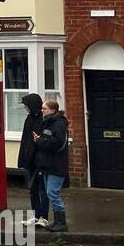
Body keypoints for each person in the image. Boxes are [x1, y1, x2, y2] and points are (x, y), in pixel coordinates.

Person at [33, 99, 71, 233]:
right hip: (47, 164)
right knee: (50, 193)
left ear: (53, 110)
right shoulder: (48, 123)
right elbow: (48, 139)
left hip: (56, 164)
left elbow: (56, 143)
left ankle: (62, 222)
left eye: (45, 108)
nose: (42, 111)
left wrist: (39, 141)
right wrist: (41, 139)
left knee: (52, 192)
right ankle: (57, 221)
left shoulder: (59, 124)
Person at [18, 93, 48, 228]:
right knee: (32, 189)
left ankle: (44, 217)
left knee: (43, 189)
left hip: (41, 160)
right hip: (30, 159)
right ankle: (36, 216)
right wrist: (23, 158)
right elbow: (25, 140)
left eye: (26, 105)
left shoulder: (43, 120)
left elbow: (43, 140)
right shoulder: (29, 119)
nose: (25, 108)